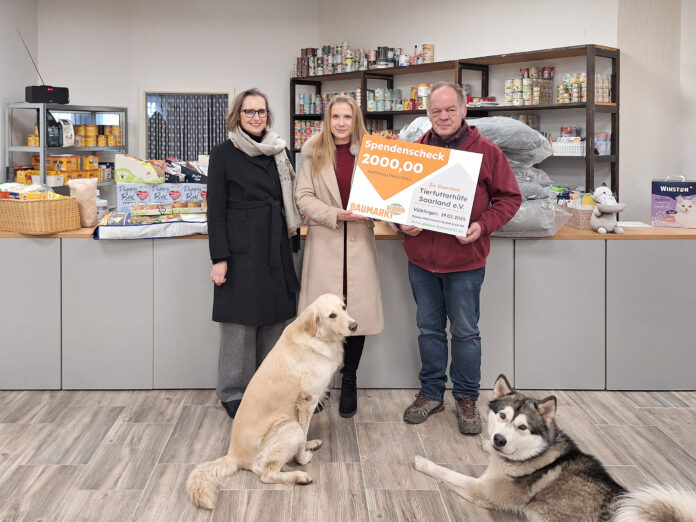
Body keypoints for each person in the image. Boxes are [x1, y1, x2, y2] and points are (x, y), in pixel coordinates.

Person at [400, 82, 521, 434]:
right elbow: (395, 200)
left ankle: (466, 398)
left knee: (466, 333)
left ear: (464, 109)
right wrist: (400, 223)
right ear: (427, 114)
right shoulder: (415, 152)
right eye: (436, 110)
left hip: (466, 262)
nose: (443, 116)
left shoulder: (486, 151)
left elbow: (510, 199)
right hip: (421, 261)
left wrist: (482, 227)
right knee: (429, 330)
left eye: (450, 109)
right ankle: (431, 393)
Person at [207, 88, 302, 418]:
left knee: (274, 320)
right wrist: (219, 258)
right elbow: (215, 210)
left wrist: (292, 247)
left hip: (275, 245)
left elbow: (288, 201)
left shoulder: (279, 150)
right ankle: (234, 392)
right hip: (240, 248)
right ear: (237, 115)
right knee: (239, 325)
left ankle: (269, 387)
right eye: (249, 112)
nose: (256, 117)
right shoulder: (223, 153)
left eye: (261, 111)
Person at [295, 95, 384, 418]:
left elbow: (386, 195)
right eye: (336, 117)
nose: (342, 123)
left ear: (355, 119)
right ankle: (321, 383)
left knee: (356, 316)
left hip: (360, 243)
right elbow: (302, 197)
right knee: (322, 318)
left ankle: (350, 379)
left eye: (347, 117)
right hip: (325, 244)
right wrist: (335, 214)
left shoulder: (373, 154)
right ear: (327, 119)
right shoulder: (313, 153)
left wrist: (372, 213)